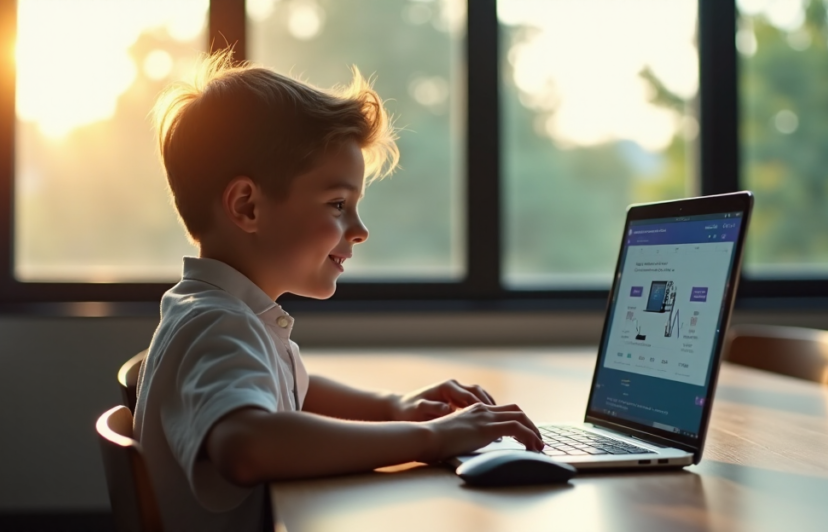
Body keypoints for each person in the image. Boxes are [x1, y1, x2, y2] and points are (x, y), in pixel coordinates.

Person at [133, 51, 544, 531]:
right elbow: (248, 444)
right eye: (337, 204)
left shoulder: (215, 313)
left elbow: (292, 391)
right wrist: (430, 437)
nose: (360, 229)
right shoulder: (217, 325)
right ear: (247, 206)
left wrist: (395, 407)